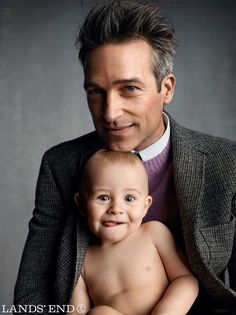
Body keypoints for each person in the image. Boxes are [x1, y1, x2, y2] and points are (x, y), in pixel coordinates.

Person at [14, 1, 236, 314]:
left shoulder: (225, 163)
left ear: (167, 88)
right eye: (96, 92)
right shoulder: (61, 165)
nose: (110, 113)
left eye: (129, 88)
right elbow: (32, 290)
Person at [69, 149, 199, 315]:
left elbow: (185, 279)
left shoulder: (153, 233)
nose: (116, 209)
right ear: (81, 204)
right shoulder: (83, 258)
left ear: (145, 206)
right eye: (103, 197)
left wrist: (168, 311)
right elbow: (77, 310)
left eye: (129, 199)